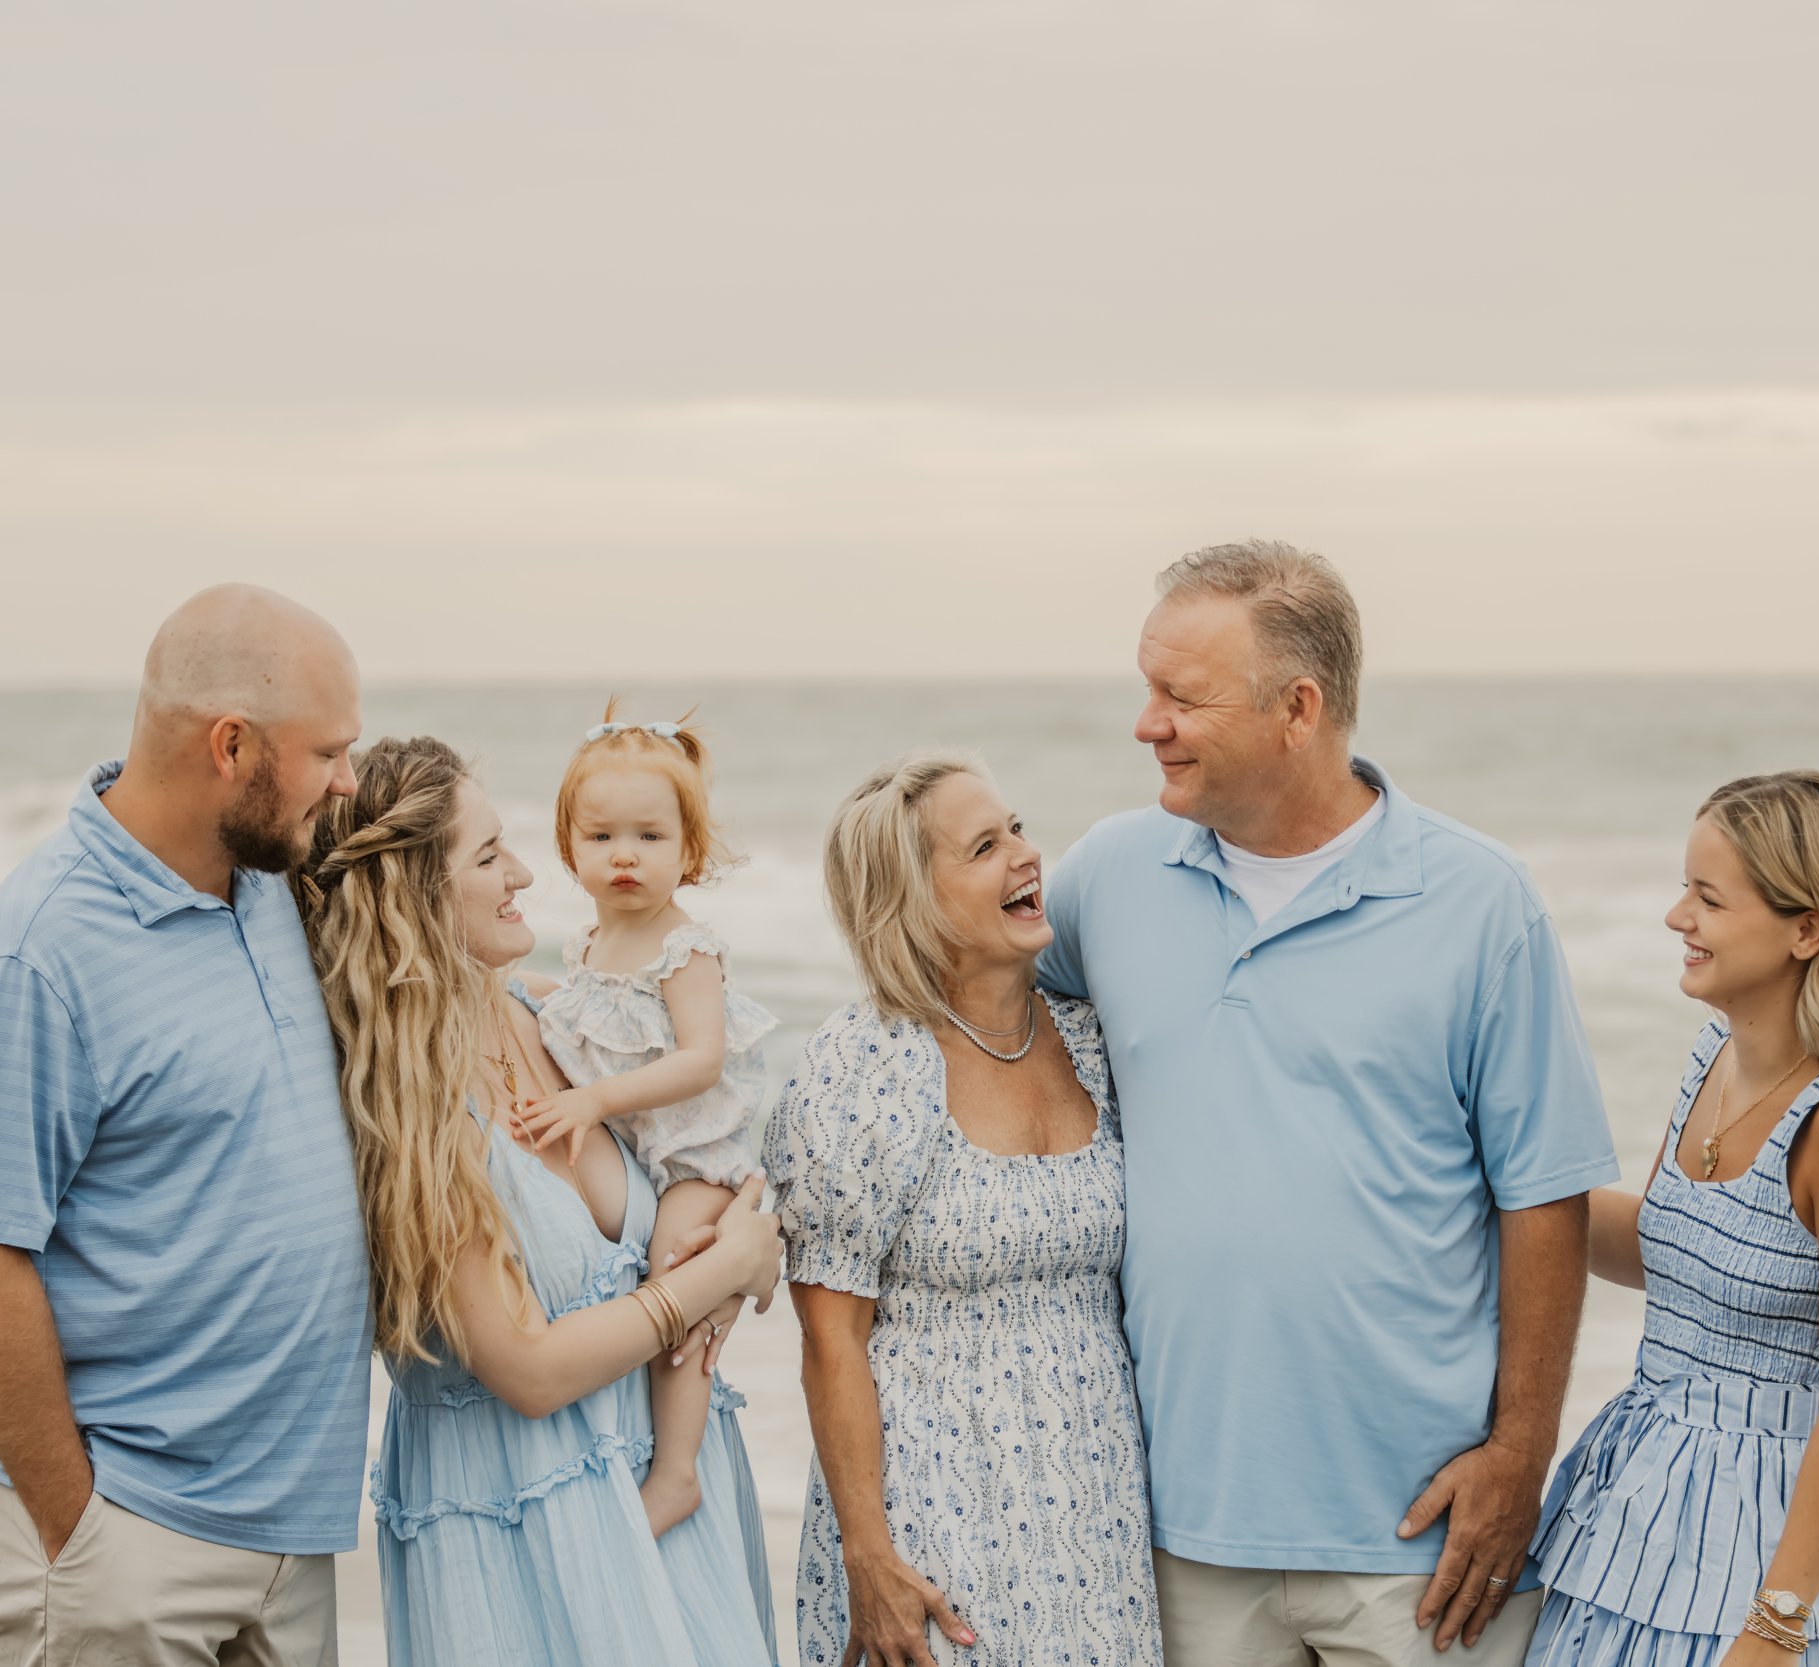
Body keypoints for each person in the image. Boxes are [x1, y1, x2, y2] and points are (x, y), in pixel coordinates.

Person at [1035, 540, 1620, 1665]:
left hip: (1422, 1532)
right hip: (1178, 1520)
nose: (1146, 723)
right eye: (1144, 688)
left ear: (1296, 708)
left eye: (1179, 696)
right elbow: (964, 1009)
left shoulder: (1479, 900)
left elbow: (1543, 1193)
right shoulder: (1107, 874)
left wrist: (1519, 1454)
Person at [0, 584, 372, 1666]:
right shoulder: (31, 955)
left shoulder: (269, 887)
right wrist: (81, 1534)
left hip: (287, 1529)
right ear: (231, 746)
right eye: (330, 752)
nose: (348, 780)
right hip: (128, 1529)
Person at [298, 734, 784, 1667]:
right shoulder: (410, 1110)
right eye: (487, 857)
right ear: (413, 895)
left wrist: (744, 1242)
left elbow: (698, 1137)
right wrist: (714, 1273)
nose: (525, 872)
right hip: (526, 1518)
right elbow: (526, 1370)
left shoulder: (548, 1014)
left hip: (665, 1491)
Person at [765, 752, 1162, 1667]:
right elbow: (832, 1341)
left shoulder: (1092, 1036)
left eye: (1016, 828)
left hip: (1095, 1510)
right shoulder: (866, 1065)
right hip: (932, 1514)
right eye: (985, 846)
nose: (1025, 855)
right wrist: (870, 1556)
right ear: (913, 901)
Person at [1530, 772, 1819, 1667]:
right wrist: (1502, 1183)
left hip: (1769, 1560)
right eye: (1684, 888)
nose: (1678, 917)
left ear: (1806, 929)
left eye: (1708, 898)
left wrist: (1775, 1627)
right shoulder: (1715, 1052)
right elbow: (1680, 1251)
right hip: (1632, 1524)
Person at [508, 705, 778, 1538]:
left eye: (651, 838)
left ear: (689, 851)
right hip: (641, 1155)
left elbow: (698, 1060)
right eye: (602, 837)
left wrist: (591, 1101)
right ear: (569, 849)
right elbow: (593, 1021)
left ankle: (676, 1471)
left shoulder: (684, 948)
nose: (625, 854)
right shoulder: (586, 946)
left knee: (677, 1274)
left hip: (696, 1158)